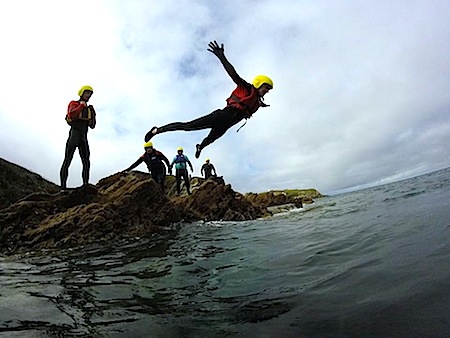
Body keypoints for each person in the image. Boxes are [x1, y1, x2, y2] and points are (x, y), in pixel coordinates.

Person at [144, 40, 273, 159]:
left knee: (210, 140)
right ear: (258, 83)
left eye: (268, 89)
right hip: (220, 117)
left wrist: (260, 104)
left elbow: (251, 106)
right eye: (266, 87)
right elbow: (233, 73)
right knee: (187, 126)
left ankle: (199, 147)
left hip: (226, 125)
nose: (267, 91)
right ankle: (156, 130)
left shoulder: (257, 101)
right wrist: (221, 57)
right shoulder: (246, 88)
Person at [60, 85, 96, 190]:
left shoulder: (89, 108)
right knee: (67, 159)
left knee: (86, 162)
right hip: (74, 134)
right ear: (82, 93)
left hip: (84, 136)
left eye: (90, 94)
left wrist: (93, 114)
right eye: (87, 93)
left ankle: (85, 184)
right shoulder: (74, 103)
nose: (88, 96)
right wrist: (81, 106)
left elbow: (92, 125)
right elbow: (71, 114)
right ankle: (63, 187)